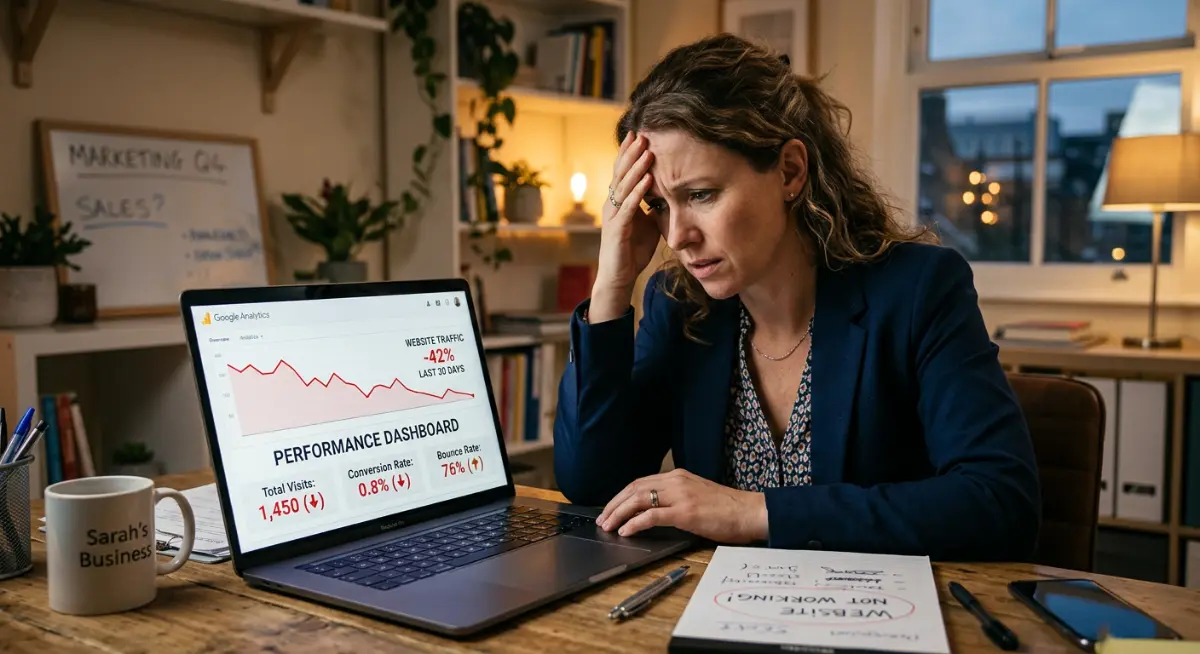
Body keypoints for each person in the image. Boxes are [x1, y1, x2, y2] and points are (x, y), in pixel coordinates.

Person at [551, 33, 1041, 562]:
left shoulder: (919, 290)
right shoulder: (680, 306)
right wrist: (611, 285)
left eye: (700, 195)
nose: (678, 236)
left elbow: (1001, 503)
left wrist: (754, 512)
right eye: (659, 205)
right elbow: (592, 486)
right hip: (722, 605)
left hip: (877, 604)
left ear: (790, 171)